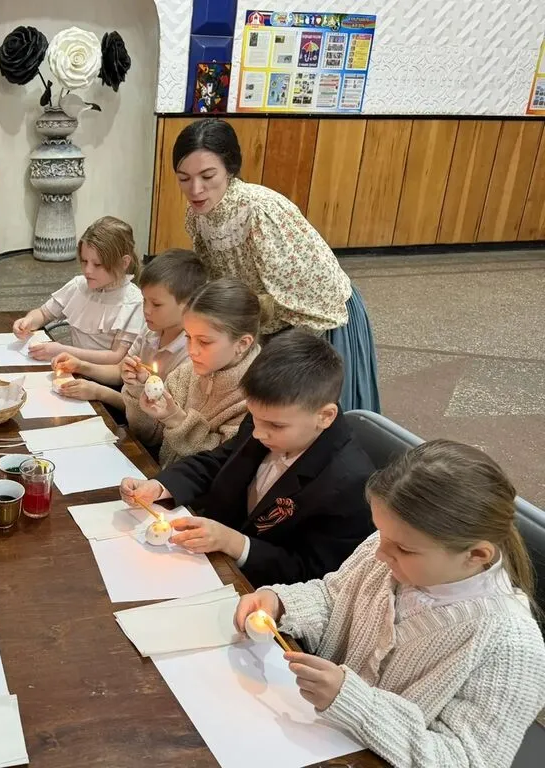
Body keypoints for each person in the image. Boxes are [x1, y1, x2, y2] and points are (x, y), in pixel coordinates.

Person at [234, 441, 545, 768]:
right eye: (380, 532)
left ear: (477, 555)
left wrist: (354, 702)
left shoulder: (510, 647)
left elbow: (464, 760)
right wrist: (283, 604)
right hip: (308, 736)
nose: (381, 553)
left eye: (404, 549)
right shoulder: (388, 550)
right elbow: (334, 597)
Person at [121, 329, 375, 586]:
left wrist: (234, 543)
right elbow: (219, 462)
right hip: (205, 560)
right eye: (254, 417)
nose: (258, 433)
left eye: (276, 426)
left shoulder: (350, 486)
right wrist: (160, 486)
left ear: (325, 416)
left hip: (259, 587)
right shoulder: (267, 419)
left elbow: (316, 574)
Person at [173, 118, 380, 413]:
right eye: (184, 178)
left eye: (208, 176)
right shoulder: (197, 216)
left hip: (318, 319)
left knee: (309, 414)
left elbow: (308, 298)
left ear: (230, 169)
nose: (196, 189)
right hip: (267, 323)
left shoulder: (260, 210)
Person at [126, 278, 265, 467]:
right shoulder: (185, 374)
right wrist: (139, 390)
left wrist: (177, 419)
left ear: (242, 343)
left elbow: (221, 464)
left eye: (204, 342)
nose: (191, 350)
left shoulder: (256, 398)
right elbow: (150, 437)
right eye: (188, 337)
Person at [50, 248, 202, 410]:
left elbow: (158, 414)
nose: (146, 310)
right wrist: (80, 365)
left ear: (188, 304)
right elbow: (119, 371)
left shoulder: (190, 357)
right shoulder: (151, 331)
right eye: (144, 301)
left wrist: (99, 392)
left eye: (156, 304)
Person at [13, 216, 145, 365]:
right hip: (73, 369)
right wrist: (28, 321)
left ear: (124, 263)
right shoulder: (79, 285)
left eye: (97, 264)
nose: (87, 270)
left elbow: (116, 358)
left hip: (102, 377)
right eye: (84, 261)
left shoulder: (134, 303)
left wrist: (64, 351)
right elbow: (44, 314)